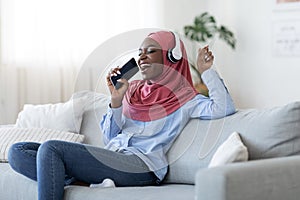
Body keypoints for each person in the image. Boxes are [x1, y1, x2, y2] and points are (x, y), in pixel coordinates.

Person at [8, 30, 235, 200]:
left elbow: (223, 108)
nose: (143, 57)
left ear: (171, 57)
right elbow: (109, 138)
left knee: (51, 149)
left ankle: (81, 179)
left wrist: (207, 72)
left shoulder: (184, 97)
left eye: (151, 51)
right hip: (113, 156)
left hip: (142, 165)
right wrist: (116, 100)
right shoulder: (132, 91)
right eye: (140, 53)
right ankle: (79, 180)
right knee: (17, 151)